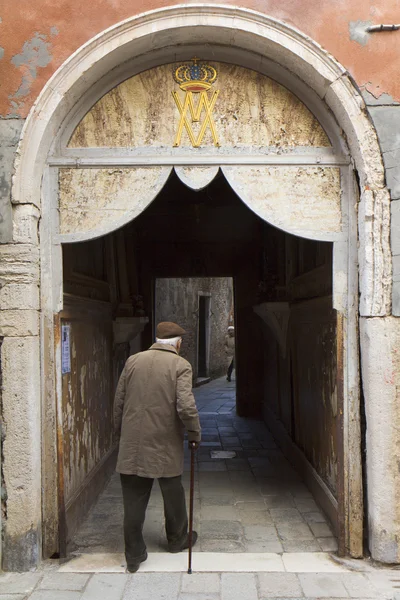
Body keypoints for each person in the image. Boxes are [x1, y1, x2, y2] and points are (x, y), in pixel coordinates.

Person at [114, 321, 201, 573]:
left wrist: (120, 432)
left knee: (133, 500)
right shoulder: (180, 365)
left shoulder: (132, 361)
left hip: (132, 443)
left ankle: (133, 555)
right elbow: (185, 406)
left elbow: (119, 400)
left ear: (156, 339)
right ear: (178, 343)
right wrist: (195, 433)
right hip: (165, 443)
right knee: (173, 493)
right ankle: (176, 539)